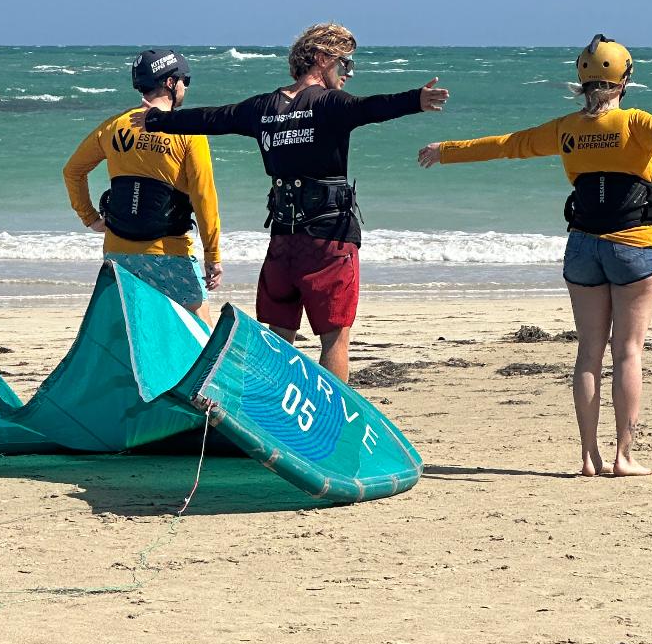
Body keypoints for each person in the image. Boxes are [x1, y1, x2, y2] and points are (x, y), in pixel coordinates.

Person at [418, 34, 652, 478]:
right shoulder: (636, 123)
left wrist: (445, 150)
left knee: (589, 351)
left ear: (582, 79)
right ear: (625, 79)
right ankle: (623, 456)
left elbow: (507, 144)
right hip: (634, 246)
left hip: (583, 246)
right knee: (628, 351)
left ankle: (589, 457)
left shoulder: (566, 129)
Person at [129, 23, 448, 381]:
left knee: (280, 338)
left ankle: (275, 417)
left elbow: (212, 118)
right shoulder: (330, 103)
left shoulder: (262, 107)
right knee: (335, 339)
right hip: (330, 241)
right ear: (323, 59)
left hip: (282, 242)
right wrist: (415, 101)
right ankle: (331, 429)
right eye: (345, 64)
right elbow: (370, 108)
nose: (347, 74)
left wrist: (159, 120)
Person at [63, 48, 222, 315]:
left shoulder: (114, 126)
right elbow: (203, 195)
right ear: (170, 83)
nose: (185, 87)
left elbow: (72, 171)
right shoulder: (189, 131)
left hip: (118, 253)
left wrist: (89, 217)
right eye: (185, 80)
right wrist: (213, 257)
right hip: (169, 253)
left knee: (134, 331)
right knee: (199, 332)